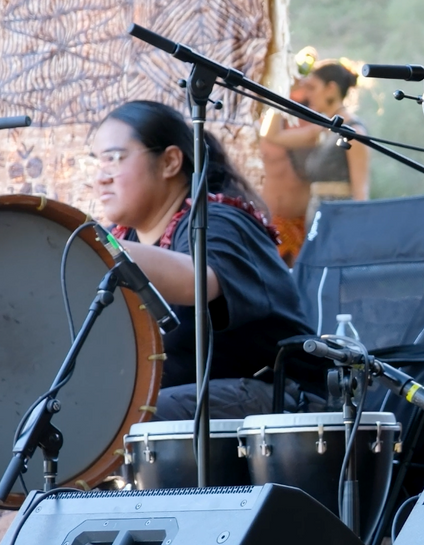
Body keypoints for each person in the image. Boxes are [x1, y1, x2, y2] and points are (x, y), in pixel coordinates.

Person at [92, 100, 311, 421]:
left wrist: (89, 241)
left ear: (169, 162)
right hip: (190, 405)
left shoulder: (219, 220)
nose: (101, 177)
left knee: (126, 420)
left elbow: (198, 280)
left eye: (114, 158)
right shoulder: (122, 238)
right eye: (97, 162)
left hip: (279, 399)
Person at [259, 59, 370, 265]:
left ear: (331, 89)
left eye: (312, 87)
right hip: (317, 218)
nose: (307, 94)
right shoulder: (321, 129)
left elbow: (361, 192)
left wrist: (356, 236)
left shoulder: (354, 131)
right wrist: (283, 92)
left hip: (339, 220)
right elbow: (271, 135)